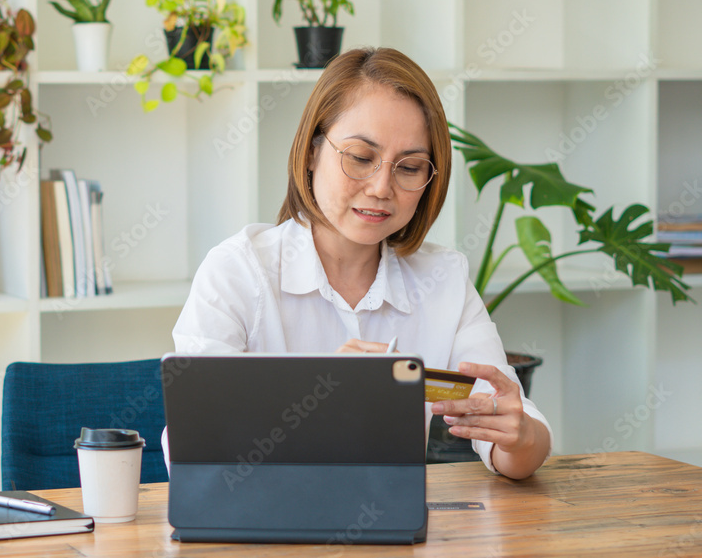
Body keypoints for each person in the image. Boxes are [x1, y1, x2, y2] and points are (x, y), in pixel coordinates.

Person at [171, 47, 552, 479]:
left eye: (409, 167)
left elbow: (517, 439)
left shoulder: (443, 279)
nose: (381, 187)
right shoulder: (237, 271)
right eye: (360, 158)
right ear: (312, 152)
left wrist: (519, 439)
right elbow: (193, 452)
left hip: (397, 533)